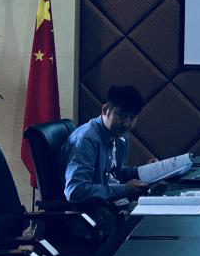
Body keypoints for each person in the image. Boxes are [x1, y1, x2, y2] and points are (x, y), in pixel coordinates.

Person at [62, 84, 149, 223]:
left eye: (132, 118)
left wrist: (146, 171)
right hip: (96, 215)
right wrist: (124, 189)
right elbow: (75, 191)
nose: (126, 124)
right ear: (105, 110)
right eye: (122, 115)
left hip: (117, 205)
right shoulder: (87, 140)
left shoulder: (120, 135)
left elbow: (114, 173)